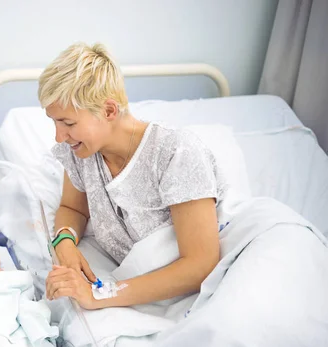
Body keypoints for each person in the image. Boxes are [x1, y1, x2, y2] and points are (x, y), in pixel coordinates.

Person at [40, 42, 227, 310]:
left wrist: (99, 295)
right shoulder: (80, 153)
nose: (59, 136)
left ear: (109, 111)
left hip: (201, 290)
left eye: (68, 123)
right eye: (54, 122)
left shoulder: (175, 152)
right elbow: (72, 208)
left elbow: (201, 264)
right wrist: (65, 242)